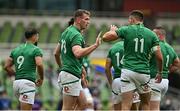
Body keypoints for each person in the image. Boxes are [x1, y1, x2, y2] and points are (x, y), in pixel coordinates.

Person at [102, 10, 163, 110]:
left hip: (127, 72)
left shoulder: (126, 30)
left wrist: (113, 31)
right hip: (143, 72)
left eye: (129, 20)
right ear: (142, 21)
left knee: (126, 104)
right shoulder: (152, 35)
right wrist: (160, 72)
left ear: (131, 19)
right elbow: (159, 57)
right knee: (145, 103)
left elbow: (105, 38)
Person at [54, 9, 102, 110]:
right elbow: (78, 53)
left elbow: (56, 53)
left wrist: (64, 67)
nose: (88, 22)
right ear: (79, 20)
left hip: (71, 73)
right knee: (67, 108)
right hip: (70, 75)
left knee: (83, 103)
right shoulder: (76, 34)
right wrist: (95, 45)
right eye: (86, 19)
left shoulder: (66, 32)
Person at [4, 28, 44, 110]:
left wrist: (16, 74)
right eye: (37, 36)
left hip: (16, 84)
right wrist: (42, 78)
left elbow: (6, 66)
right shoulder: (36, 49)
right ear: (34, 37)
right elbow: (39, 64)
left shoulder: (16, 50)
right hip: (27, 84)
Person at [150, 26, 180, 110]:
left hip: (155, 80)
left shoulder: (155, 46)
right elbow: (177, 64)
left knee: (153, 108)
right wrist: (167, 71)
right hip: (165, 81)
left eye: (153, 34)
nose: (151, 36)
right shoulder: (170, 48)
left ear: (159, 35)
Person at [105, 41, 140, 110]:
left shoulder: (113, 48)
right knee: (133, 107)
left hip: (117, 81)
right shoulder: (132, 46)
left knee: (117, 108)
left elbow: (107, 68)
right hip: (129, 80)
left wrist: (111, 83)